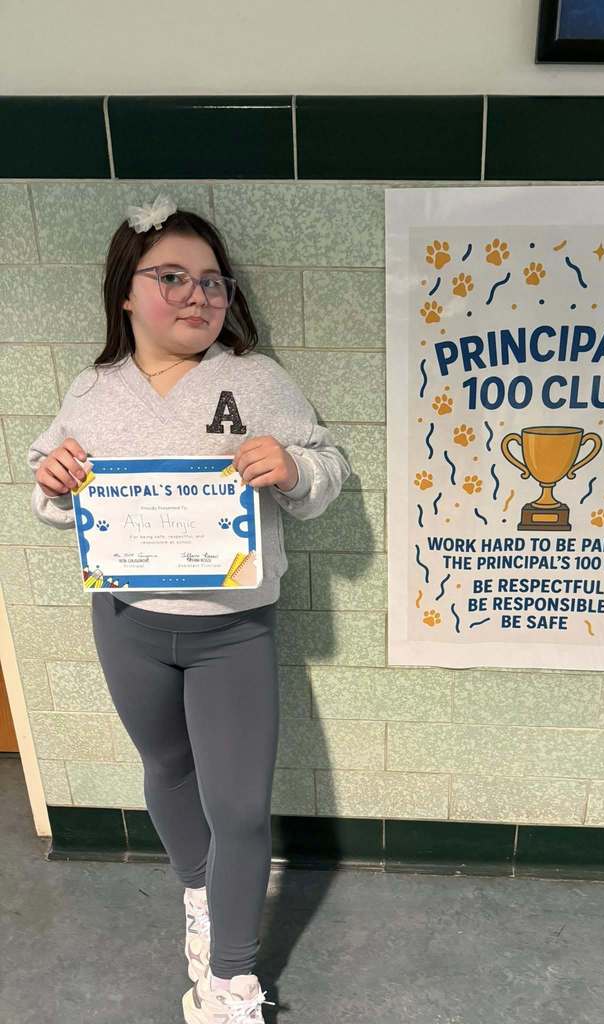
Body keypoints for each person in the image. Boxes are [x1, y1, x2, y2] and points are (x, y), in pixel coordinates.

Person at [27, 194, 352, 1023]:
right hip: (127, 622)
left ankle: (232, 979)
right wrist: (54, 482)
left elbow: (327, 465)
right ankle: (201, 896)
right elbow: (50, 488)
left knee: (238, 803)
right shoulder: (92, 390)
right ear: (125, 293)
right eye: (171, 277)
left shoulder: (255, 379)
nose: (198, 295)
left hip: (231, 629)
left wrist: (294, 469)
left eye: (213, 281)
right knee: (168, 769)